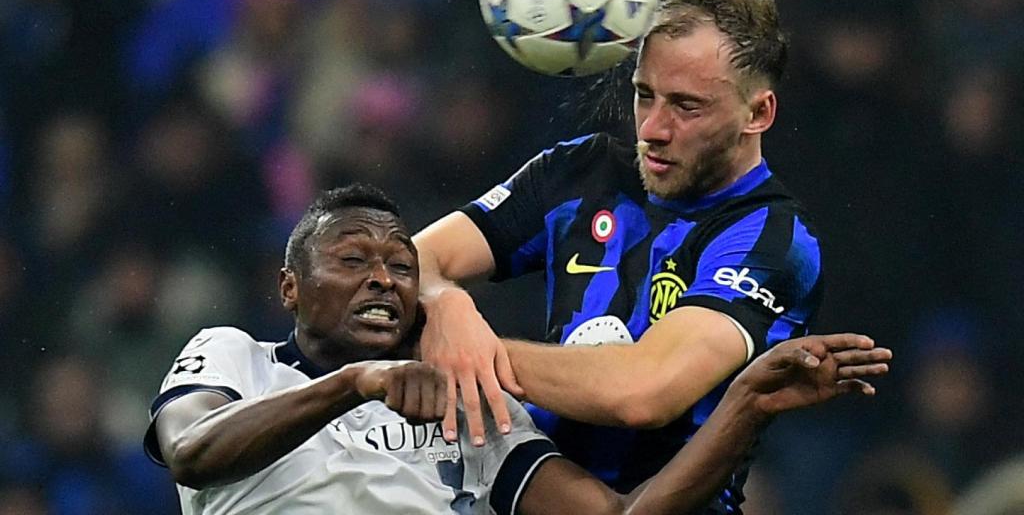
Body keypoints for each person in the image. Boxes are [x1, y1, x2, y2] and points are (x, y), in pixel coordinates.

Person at [144, 185, 890, 514]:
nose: (382, 277)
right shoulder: (236, 356)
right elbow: (194, 453)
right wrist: (358, 384)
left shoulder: (463, 406)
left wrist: (746, 404)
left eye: (403, 266)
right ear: (290, 289)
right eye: (351, 260)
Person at [413, 0, 821, 509]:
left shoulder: (773, 239)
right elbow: (408, 263)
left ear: (757, 114)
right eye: (643, 94)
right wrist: (446, 303)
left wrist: (472, 353)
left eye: (686, 106)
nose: (653, 127)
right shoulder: (580, 172)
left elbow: (642, 391)